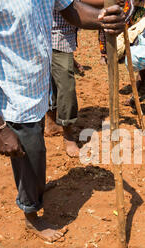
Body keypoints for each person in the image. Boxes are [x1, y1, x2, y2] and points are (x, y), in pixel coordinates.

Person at [0, 0, 125, 242]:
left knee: (35, 152)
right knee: (30, 158)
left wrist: (104, 17)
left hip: (38, 87)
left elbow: (70, 9)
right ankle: (31, 213)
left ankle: (37, 188)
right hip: (13, 100)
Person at [44, 8, 81, 158]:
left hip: (60, 37)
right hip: (54, 36)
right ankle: (68, 134)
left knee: (53, 80)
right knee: (66, 87)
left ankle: (52, 123)